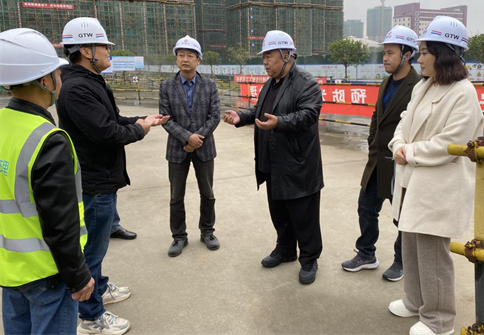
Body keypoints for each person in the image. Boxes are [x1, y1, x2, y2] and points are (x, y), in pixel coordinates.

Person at [57, 17, 169, 335]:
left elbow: (114, 119)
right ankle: (91, 316)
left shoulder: (91, 82)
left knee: (98, 246)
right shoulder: (77, 88)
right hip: (94, 183)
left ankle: (100, 287)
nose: (109, 52)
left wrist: (142, 119)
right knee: (92, 250)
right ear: (86, 50)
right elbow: (107, 133)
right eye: (104, 46)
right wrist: (140, 129)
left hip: (102, 178)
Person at [387, 16, 484, 335]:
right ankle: (415, 300)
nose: (420, 58)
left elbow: (452, 142)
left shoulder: (463, 93)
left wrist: (410, 152)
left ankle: (439, 320)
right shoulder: (424, 85)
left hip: (438, 186)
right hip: (412, 180)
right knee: (411, 245)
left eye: (426, 51)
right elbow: (404, 121)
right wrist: (398, 144)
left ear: (444, 54)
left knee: (432, 255)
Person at [0, 28, 95, 335]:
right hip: (48, 272)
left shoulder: (3, 122)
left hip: (10, 270)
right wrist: (79, 276)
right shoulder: (47, 139)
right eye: (57, 73)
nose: (61, 79)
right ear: (45, 81)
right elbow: (59, 222)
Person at [223, 30, 324, 285]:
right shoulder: (270, 83)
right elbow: (260, 111)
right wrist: (241, 116)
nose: (265, 62)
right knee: (279, 212)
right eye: (264, 57)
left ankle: (309, 259)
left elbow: (309, 114)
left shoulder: (306, 82)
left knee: (304, 215)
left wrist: (280, 122)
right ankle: (285, 249)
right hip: (273, 161)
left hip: (297, 163)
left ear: (286, 54)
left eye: (269, 56)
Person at [341, 26, 421, 282]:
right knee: (366, 208)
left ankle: (401, 261)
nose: (385, 58)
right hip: (377, 160)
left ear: (407, 54)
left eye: (390, 53)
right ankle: (366, 254)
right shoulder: (386, 82)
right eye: (384, 53)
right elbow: (378, 116)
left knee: (402, 217)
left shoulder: (419, 86)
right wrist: (373, 140)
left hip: (401, 162)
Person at [159, 36, 221, 257]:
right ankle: (179, 236)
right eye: (181, 55)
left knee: (208, 193)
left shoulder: (209, 85)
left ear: (198, 60)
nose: (185, 59)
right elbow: (165, 119)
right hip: (177, 150)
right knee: (176, 196)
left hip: (204, 148)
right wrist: (187, 138)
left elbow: (214, 116)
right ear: (177, 59)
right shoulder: (166, 86)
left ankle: (207, 232)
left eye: (190, 55)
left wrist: (197, 140)